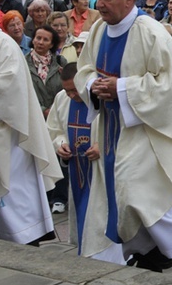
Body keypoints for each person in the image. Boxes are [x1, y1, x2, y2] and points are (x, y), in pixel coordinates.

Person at [74, 0, 172, 270]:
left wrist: (122, 88)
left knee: (135, 192)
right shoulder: (99, 30)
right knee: (119, 195)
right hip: (111, 129)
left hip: (145, 133)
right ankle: (146, 253)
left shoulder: (149, 32)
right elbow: (84, 69)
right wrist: (92, 86)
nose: (99, 3)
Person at [0, 2, 61, 245]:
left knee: (13, 204)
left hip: (8, 141)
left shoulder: (3, 45)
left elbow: (10, 88)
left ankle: (24, 239)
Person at [46, 63, 125, 263]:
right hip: (77, 169)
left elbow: (122, 127)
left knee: (99, 217)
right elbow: (54, 128)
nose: (72, 95)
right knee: (82, 217)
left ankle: (107, 258)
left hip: (100, 170)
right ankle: (86, 255)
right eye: (67, 90)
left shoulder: (103, 97)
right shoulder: (62, 99)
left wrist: (102, 145)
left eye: (74, 89)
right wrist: (61, 144)